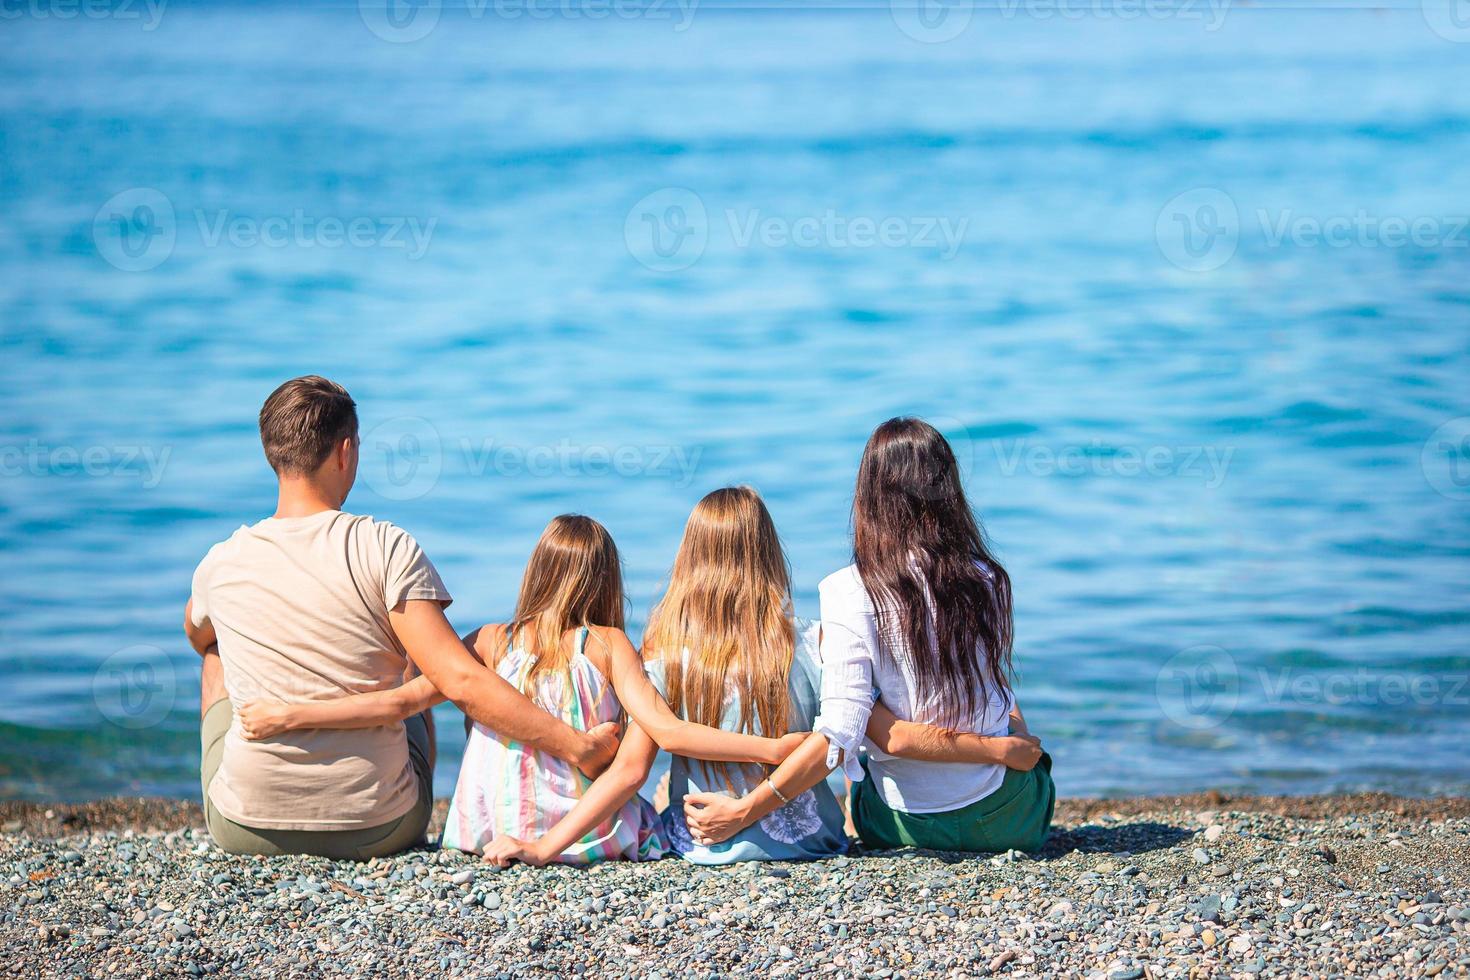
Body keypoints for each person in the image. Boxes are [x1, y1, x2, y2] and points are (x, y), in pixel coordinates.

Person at [183, 376, 619, 859]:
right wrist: (577, 747)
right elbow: (461, 680)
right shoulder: (385, 546)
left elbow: (196, 632)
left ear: (273, 454)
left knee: (216, 652)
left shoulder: (220, 562)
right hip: (382, 825)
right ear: (345, 451)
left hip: (245, 828)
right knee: (421, 654)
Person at [483, 486, 1033, 867]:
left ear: (689, 561)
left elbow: (628, 772)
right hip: (811, 842)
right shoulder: (815, 641)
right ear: (770, 554)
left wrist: (544, 847)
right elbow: (846, 737)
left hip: (701, 844)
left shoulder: (662, 653)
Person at [238, 508, 804, 863]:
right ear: (606, 580)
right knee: (639, 777)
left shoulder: (489, 641)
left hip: (484, 829)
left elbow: (400, 701)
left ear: (536, 573)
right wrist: (771, 751)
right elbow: (644, 754)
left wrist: (293, 714)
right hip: (587, 835)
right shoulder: (608, 645)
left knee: (425, 698)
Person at [683, 420, 1054, 855]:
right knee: (1024, 741)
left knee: (861, 739)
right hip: (1006, 820)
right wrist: (1004, 748)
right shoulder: (987, 579)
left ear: (870, 494)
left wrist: (745, 811)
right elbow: (996, 693)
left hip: (896, 825)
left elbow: (841, 733)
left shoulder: (846, 590)